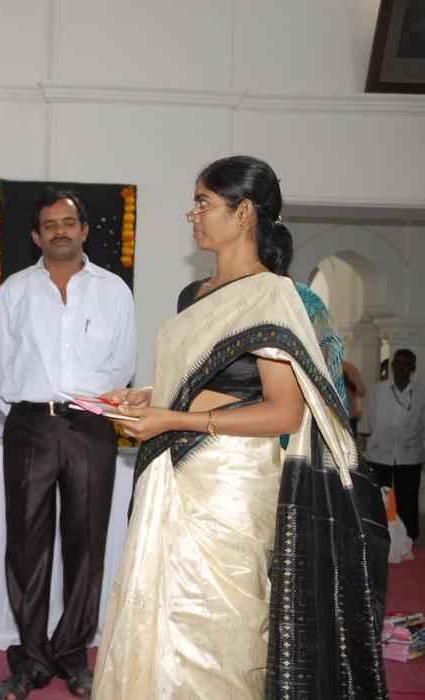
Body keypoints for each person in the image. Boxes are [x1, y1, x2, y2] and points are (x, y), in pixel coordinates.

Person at [92, 155, 389, 699]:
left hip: (231, 483)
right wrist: (147, 396)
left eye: (203, 202)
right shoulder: (193, 296)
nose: (193, 215)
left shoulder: (272, 296)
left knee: (216, 632)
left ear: (244, 211)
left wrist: (173, 418)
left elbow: (283, 412)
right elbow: (206, 384)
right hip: (173, 475)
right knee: (156, 618)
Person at [0, 189, 136, 700]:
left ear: (84, 230)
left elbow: (123, 364)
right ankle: (31, 660)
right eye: (49, 225)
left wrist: (87, 410)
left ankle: (72, 653)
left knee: (86, 545)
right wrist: (29, 413)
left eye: (68, 223)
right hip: (30, 425)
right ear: (36, 236)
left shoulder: (113, 290)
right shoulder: (14, 291)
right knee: (26, 547)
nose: (60, 231)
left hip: (91, 427)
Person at [360, 348, 425, 542]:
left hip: (409, 455)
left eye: (406, 363)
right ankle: (380, 538)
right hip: (379, 453)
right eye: (398, 362)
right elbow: (367, 423)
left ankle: (409, 539)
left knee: (408, 500)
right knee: (381, 499)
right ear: (392, 365)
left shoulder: (421, 393)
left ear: (413, 368)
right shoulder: (378, 390)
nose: (401, 367)